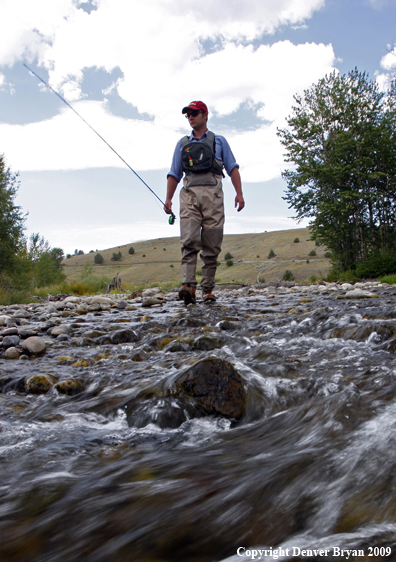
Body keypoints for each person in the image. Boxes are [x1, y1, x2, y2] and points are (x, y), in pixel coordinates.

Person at [164, 101, 245, 305]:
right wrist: (168, 199)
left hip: (213, 196)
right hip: (189, 196)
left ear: (205, 115)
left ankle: (207, 290)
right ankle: (188, 286)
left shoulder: (220, 141)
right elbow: (174, 173)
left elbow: (232, 167)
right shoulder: (182, 144)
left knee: (211, 243)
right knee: (189, 241)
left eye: (195, 113)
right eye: (188, 115)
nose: (191, 117)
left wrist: (239, 193)